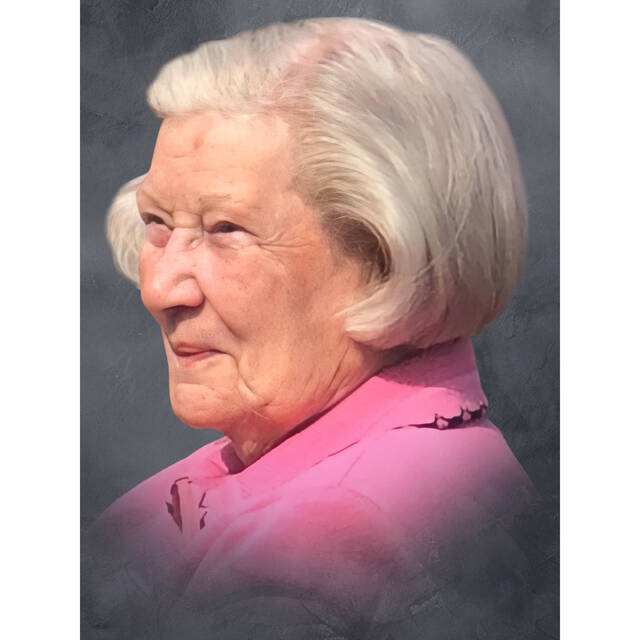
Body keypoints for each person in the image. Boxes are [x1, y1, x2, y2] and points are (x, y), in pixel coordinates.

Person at [84, 17, 537, 639]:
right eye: (157, 223)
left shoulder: (334, 536)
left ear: (382, 257)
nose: (160, 290)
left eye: (225, 230)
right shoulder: (269, 471)